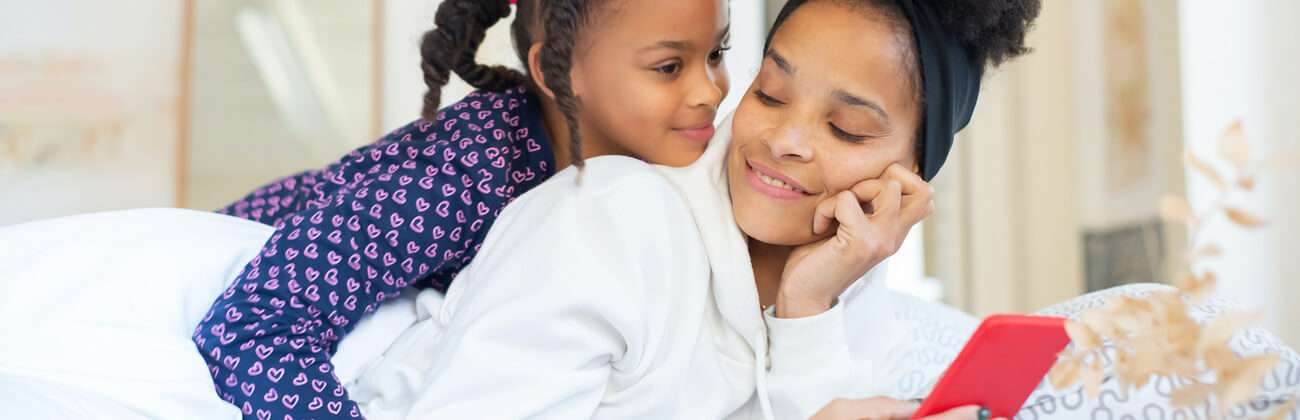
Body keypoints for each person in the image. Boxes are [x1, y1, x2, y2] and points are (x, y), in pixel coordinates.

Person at [364, 0, 1040, 418]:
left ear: (911, 174)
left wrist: (807, 312)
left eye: (846, 130)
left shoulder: (849, 296)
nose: (783, 141)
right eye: (771, 93)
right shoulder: (609, 221)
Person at [193, 0, 731, 417]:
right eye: (668, 66)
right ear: (561, 70)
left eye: (716, 54)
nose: (710, 91)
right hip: (237, 253)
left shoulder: (660, 176)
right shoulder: (465, 175)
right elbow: (254, 325)